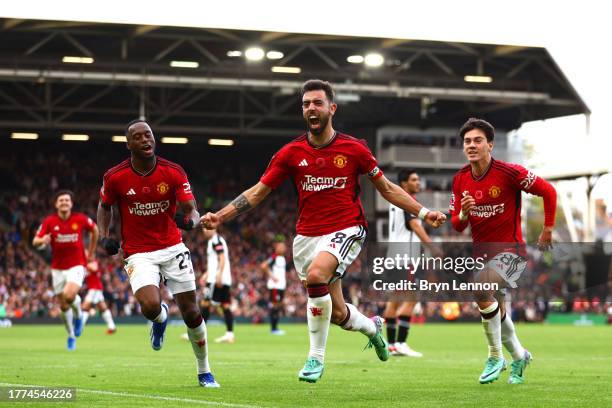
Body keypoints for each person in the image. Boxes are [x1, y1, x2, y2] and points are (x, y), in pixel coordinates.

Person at [201, 79, 446, 383]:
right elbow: (257, 192)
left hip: (347, 228)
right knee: (338, 313)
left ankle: (315, 358)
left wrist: (424, 211)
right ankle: (372, 328)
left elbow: (386, 188)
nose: (311, 109)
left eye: (317, 103)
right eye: (306, 104)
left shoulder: (354, 149)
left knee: (317, 276)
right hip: (306, 237)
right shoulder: (290, 153)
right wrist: (220, 216)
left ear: (332, 108)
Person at [97, 119, 219, 387]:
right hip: (138, 252)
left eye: (148, 135)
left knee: (190, 312)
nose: (145, 140)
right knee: (150, 306)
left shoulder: (173, 171)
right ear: (128, 144)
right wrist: (104, 237)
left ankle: (204, 370)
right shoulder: (115, 176)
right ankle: (160, 318)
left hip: (173, 246)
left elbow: (191, 208)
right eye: (138, 137)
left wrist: (191, 220)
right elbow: (104, 207)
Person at [449, 117, 557, 384]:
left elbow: (549, 191)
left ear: (490, 145)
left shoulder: (509, 173)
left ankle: (496, 356)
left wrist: (548, 228)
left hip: (512, 252)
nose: (471, 145)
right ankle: (520, 356)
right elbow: (457, 225)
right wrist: (464, 212)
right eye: (467, 141)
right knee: (499, 312)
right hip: (482, 255)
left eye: (477, 140)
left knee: (480, 289)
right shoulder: (460, 179)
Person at [33, 190, 99, 350]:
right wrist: (43, 239)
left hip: (77, 265)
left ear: (71, 203)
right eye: (61, 200)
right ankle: (71, 336)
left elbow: (95, 230)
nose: (64, 202)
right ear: (56, 204)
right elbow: (35, 241)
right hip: (57, 269)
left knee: (69, 296)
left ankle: (78, 317)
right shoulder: (49, 221)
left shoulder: (80, 219)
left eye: (67, 200)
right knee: (63, 306)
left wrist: (90, 253)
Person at [384, 170, 436, 358]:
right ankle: (401, 343)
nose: (418, 182)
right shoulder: (407, 201)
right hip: (405, 258)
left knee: (394, 301)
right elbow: (415, 225)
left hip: (393, 256)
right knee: (411, 299)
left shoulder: (395, 201)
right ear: (404, 184)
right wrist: (432, 248)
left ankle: (390, 346)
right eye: (414, 179)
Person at [201, 227, 235, 344]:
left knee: (205, 303)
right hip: (221, 277)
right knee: (225, 306)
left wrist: (218, 275)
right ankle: (230, 334)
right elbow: (215, 261)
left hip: (216, 279)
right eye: (203, 229)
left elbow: (222, 258)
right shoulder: (217, 240)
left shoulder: (216, 241)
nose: (205, 231)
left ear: (214, 228)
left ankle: (199, 334)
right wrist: (206, 273)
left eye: (207, 228)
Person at [260, 236, 288, 335]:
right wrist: (272, 276)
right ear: (277, 248)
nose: (283, 248)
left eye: (284, 247)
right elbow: (263, 266)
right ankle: (273, 329)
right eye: (281, 247)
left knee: (278, 307)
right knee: (275, 307)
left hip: (281, 286)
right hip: (275, 286)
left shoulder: (282, 258)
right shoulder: (274, 257)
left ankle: (275, 328)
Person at [81, 259, 117, 334]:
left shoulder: (93, 262)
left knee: (85, 308)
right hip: (95, 288)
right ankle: (112, 326)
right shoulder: (85, 265)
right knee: (103, 308)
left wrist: (86, 265)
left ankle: (79, 327)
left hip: (94, 289)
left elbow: (95, 268)